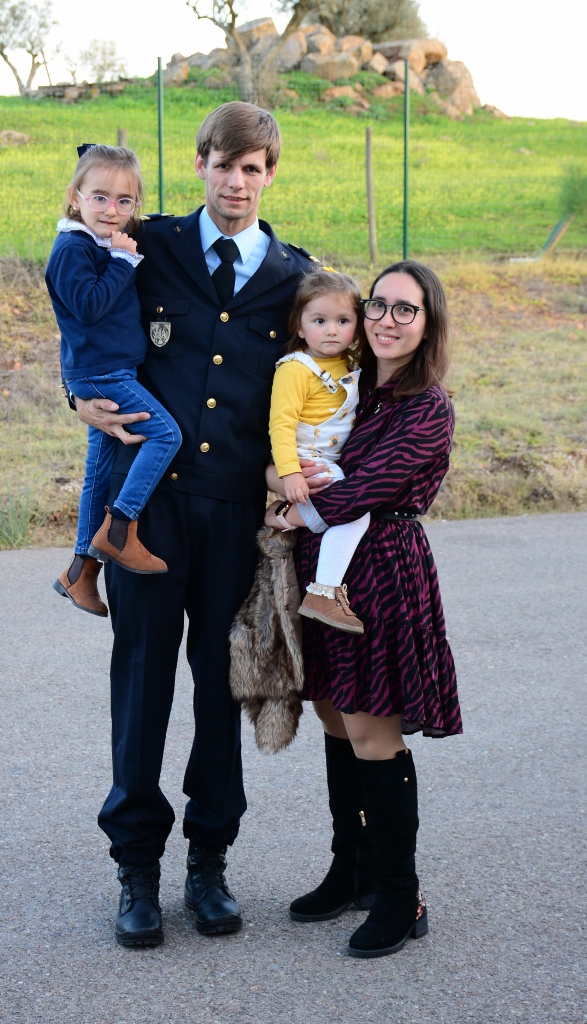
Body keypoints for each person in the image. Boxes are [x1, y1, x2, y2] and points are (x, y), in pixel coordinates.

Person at [70, 102, 326, 947]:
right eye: (224, 164)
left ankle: (208, 862)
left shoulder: (296, 279)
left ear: (270, 175)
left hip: (233, 517)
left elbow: (327, 382)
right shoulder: (152, 245)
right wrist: (75, 394)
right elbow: (86, 320)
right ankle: (136, 868)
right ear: (201, 164)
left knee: (221, 689)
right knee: (142, 683)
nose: (237, 181)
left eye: (253, 168)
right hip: (148, 509)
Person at [264, 259, 463, 958]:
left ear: (427, 323)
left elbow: (361, 491)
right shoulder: (345, 388)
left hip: (383, 574)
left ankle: (398, 891)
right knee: (332, 713)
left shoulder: (426, 406)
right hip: (322, 568)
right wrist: (276, 475)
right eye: (376, 305)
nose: (384, 318)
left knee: (372, 729)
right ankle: (348, 869)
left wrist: (291, 503)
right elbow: (291, 447)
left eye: (404, 310)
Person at [47, 144, 182, 618]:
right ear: (75, 197)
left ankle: (81, 571)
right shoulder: (72, 248)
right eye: (100, 197)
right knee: (166, 434)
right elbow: (87, 307)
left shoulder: (97, 242)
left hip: (109, 370)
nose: (112, 209)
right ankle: (120, 529)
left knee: (98, 473)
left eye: (125, 201)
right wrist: (124, 262)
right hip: (102, 373)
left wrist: (119, 251)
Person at [269, 268, 369, 635]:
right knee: (356, 514)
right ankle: (323, 591)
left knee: (351, 510)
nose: (331, 330)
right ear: (299, 326)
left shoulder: (351, 365)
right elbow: (280, 425)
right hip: (308, 460)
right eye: (319, 320)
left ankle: (283, 517)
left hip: (333, 462)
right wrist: (290, 472)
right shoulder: (296, 369)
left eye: (343, 321)